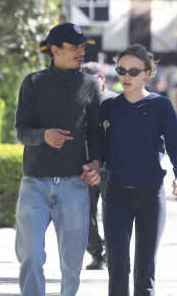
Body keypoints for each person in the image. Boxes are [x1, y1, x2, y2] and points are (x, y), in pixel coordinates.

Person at [14, 22, 102, 296]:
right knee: (30, 255)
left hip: (74, 185)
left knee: (72, 264)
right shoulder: (33, 83)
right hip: (35, 184)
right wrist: (44, 136)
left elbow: (96, 132)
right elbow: (21, 131)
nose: (81, 52)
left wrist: (96, 163)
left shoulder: (89, 84)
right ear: (55, 50)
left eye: (82, 47)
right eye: (74, 47)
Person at [101, 44, 177, 296]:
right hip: (116, 196)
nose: (126, 76)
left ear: (147, 73)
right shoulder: (109, 107)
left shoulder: (161, 106)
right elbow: (97, 144)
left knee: (144, 273)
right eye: (121, 70)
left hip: (151, 196)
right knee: (118, 269)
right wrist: (94, 164)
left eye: (133, 71)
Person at [81, 62, 118, 269]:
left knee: (113, 215)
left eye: (92, 80)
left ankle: (111, 254)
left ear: (102, 79)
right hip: (85, 169)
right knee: (85, 215)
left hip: (110, 170)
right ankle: (96, 253)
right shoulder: (77, 101)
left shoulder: (115, 101)